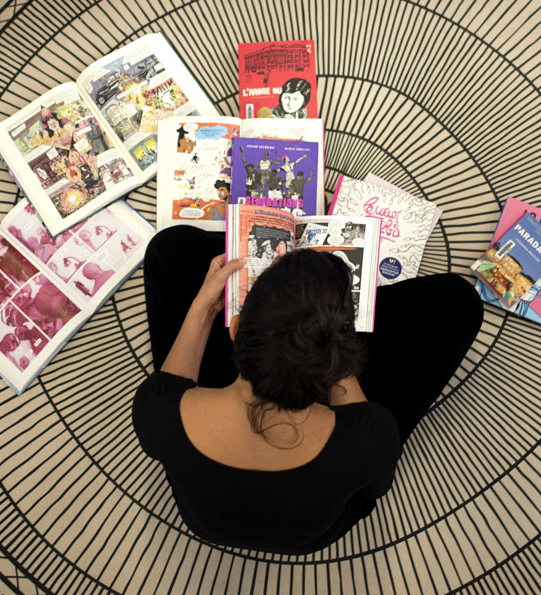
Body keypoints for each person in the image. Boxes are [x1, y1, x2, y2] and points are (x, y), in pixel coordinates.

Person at [132, 226, 482, 554]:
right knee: (457, 302)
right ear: (338, 358)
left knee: (170, 247)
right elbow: (372, 491)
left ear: (235, 330)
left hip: (204, 522)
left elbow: (171, 381)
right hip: (312, 534)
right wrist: (328, 340)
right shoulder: (370, 436)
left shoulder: (160, 410)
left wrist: (205, 307)